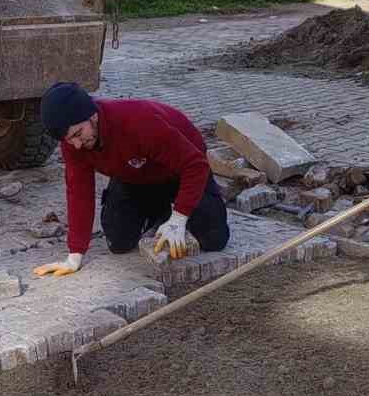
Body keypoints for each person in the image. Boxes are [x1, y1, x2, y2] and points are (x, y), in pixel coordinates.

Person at [32, 82, 229, 277]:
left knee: (214, 238)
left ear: (92, 115)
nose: (76, 145)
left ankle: (173, 213)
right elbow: (79, 193)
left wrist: (179, 218)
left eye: (78, 134)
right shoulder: (74, 144)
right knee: (119, 241)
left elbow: (195, 164)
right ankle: (159, 213)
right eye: (69, 139)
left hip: (181, 171)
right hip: (134, 174)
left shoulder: (137, 121)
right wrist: (75, 254)